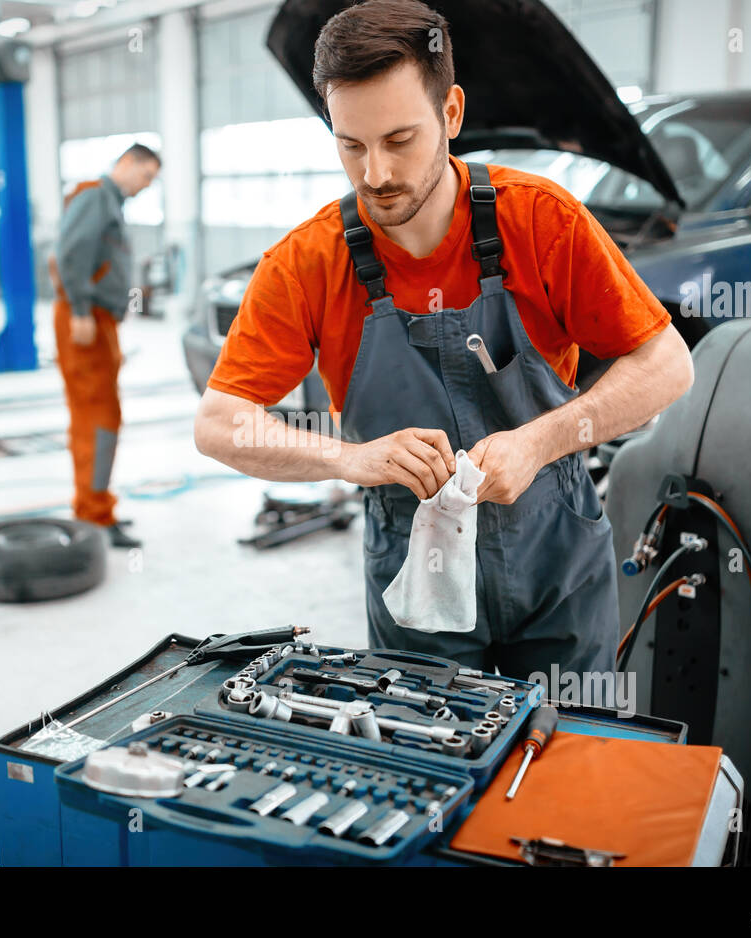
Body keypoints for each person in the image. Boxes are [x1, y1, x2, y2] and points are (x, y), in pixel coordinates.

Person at [193, 0, 694, 675]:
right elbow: (221, 425)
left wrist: (541, 440)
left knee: (573, 759)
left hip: (558, 568)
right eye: (352, 145)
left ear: (451, 114)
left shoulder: (541, 221)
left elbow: (667, 365)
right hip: (415, 588)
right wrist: (351, 460)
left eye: (400, 140)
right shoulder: (307, 262)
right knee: (439, 759)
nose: (375, 174)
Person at [51, 143, 160, 548]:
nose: (146, 186)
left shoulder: (108, 202)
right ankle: (94, 515)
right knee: (96, 417)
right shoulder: (96, 196)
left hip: (98, 320)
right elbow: (70, 253)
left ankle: (95, 506)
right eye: (146, 176)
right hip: (86, 320)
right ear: (127, 162)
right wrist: (80, 309)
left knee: (103, 414)